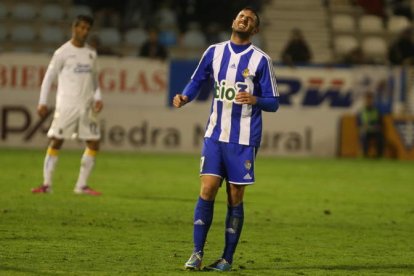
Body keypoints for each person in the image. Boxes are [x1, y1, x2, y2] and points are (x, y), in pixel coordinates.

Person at [173, 7, 279, 271]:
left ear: (255, 30)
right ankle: (196, 254)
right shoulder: (214, 51)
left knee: (234, 197)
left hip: (243, 139)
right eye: (241, 16)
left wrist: (256, 99)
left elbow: (274, 103)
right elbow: (197, 80)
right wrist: (185, 96)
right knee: (207, 189)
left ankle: (226, 259)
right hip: (215, 135)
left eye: (250, 19)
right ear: (233, 21)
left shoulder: (261, 60)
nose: (244, 19)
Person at [31, 15, 103, 196]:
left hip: (86, 107)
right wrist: (42, 102)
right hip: (66, 106)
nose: (85, 32)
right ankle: (46, 184)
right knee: (56, 140)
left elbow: (94, 79)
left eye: (88, 29)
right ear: (74, 28)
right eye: (82, 28)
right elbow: (48, 78)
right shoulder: (62, 53)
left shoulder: (91, 53)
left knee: (94, 142)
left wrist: (98, 97)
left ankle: (81, 186)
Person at [358, 92, 384, 158]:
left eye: (370, 99)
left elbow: (380, 123)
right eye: (367, 99)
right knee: (364, 137)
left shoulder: (376, 111)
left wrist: (377, 126)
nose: (368, 101)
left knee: (380, 138)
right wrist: (363, 126)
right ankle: (365, 155)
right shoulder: (361, 111)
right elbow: (358, 123)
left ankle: (379, 156)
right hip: (366, 131)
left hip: (375, 131)